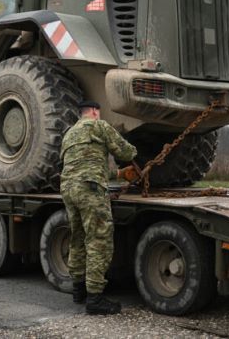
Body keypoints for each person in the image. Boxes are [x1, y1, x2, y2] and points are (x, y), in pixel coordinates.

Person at [59, 100, 137, 315]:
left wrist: (119, 175)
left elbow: (85, 165)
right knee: (98, 240)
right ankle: (95, 298)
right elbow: (125, 152)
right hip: (89, 189)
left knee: (77, 237)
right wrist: (136, 154)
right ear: (94, 111)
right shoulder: (98, 126)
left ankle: (78, 290)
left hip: (68, 188)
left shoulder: (69, 133)